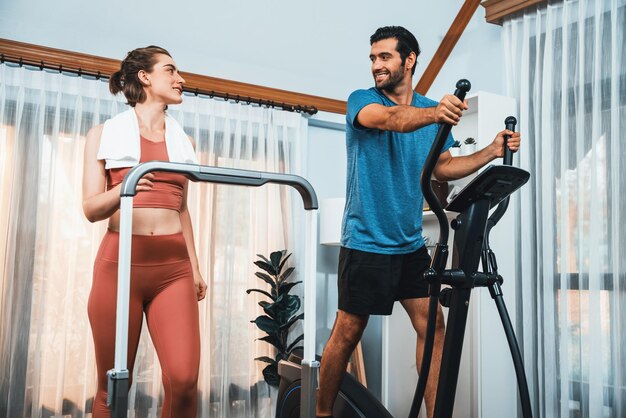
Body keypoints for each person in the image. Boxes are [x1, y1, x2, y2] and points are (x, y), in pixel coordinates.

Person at [316, 26, 521, 418]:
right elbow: (391, 119)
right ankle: (321, 412)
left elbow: (444, 168)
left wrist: (492, 152)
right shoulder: (362, 100)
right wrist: (434, 114)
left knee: (434, 327)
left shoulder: (430, 113)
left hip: (409, 244)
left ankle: (435, 414)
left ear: (409, 60)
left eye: (385, 57)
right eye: (373, 57)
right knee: (346, 333)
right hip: (365, 241)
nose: (376, 64)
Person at [82, 46, 207, 418]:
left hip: (174, 268)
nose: (180, 78)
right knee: (113, 385)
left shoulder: (185, 143)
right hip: (120, 265)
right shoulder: (103, 135)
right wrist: (125, 188)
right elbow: (90, 209)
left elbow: (181, 208)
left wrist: (195, 267)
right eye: (171, 70)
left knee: (184, 381)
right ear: (145, 77)